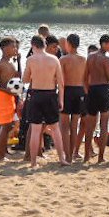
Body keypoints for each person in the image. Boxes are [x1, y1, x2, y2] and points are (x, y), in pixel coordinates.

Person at [21, 35, 69, 167]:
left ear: (33, 46)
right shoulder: (54, 59)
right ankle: (61, 159)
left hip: (36, 94)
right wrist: (61, 100)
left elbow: (25, 80)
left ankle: (33, 162)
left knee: (35, 130)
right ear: (44, 45)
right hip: (50, 94)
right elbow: (61, 82)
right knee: (55, 129)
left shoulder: (30, 59)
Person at [82, 34, 109, 163]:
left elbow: (84, 78)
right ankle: (101, 157)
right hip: (104, 89)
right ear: (104, 44)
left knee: (90, 126)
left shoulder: (90, 57)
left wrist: (87, 92)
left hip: (92, 90)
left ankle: (86, 156)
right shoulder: (106, 59)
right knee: (104, 125)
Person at [0, 37, 22, 162]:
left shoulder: (11, 63)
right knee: (5, 126)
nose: (15, 49)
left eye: (16, 47)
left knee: (9, 126)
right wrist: (5, 90)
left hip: (10, 96)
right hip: (2, 96)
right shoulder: (0, 64)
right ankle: (0, 156)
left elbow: (18, 76)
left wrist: (19, 61)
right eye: (12, 47)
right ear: (4, 48)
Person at [57, 34, 87, 158]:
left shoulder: (63, 59)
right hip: (79, 91)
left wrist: (60, 98)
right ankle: (72, 154)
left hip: (67, 91)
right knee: (74, 125)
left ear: (68, 44)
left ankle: (66, 154)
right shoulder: (84, 59)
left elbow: (61, 81)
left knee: (64, 126)